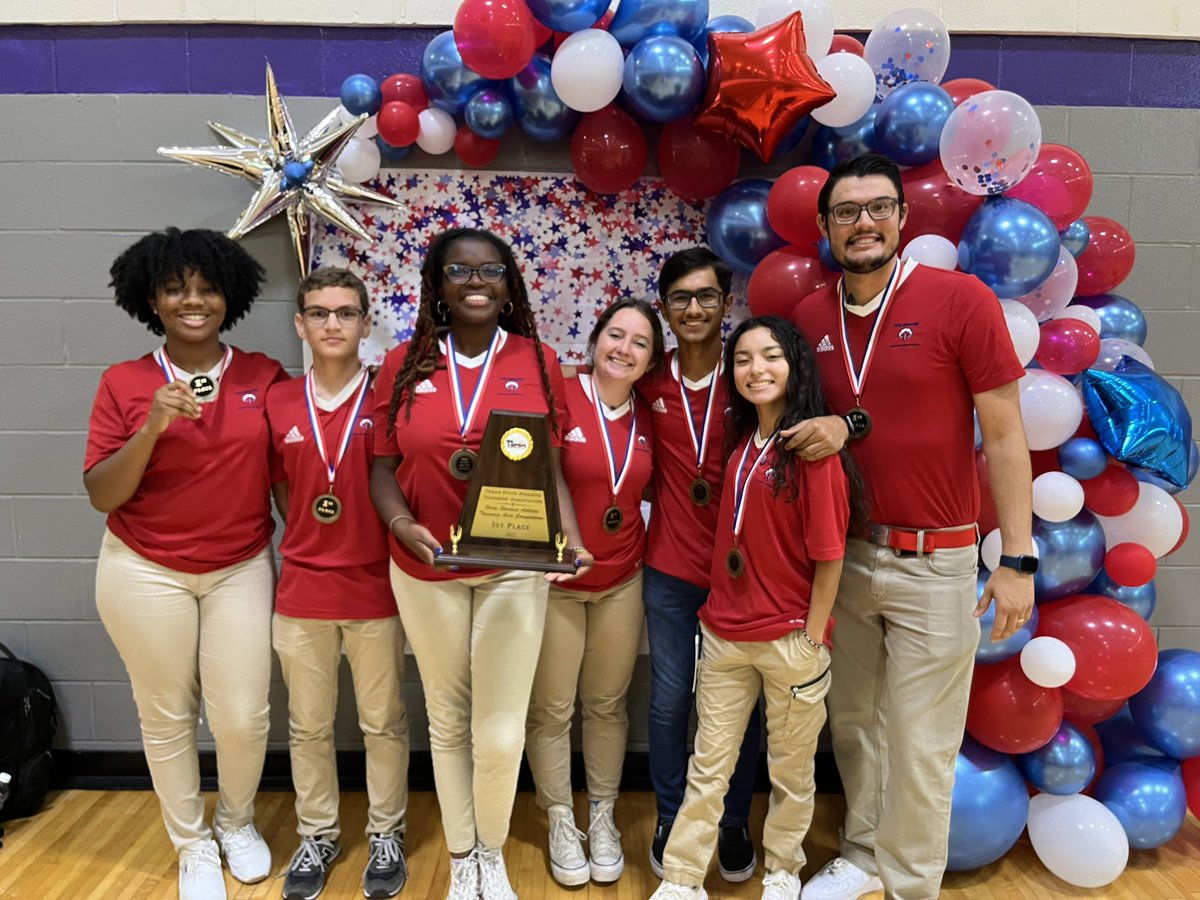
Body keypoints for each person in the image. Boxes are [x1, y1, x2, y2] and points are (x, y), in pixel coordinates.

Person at [788, 154, 1034, 900]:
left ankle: (909, 885)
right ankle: (862, 855)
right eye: (846, 211)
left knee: (924, 742)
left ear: (901, 218)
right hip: (848, 559)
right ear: (825, 226)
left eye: (877, 208)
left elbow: (1006, 437)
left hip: (939, 562)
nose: (863, 223)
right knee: (856, 725)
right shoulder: (807, 318)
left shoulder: (960, 301)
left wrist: (1017, 559)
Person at [369, 227, 590, 900]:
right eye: (459, 271)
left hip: (512, 564)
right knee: (447, 715)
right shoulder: (403, 362)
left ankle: (491, 849)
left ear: (507, 283)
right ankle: (462, 855)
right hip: (425, 565)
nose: (475, 281)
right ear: (436, 283)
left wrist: (570, 539)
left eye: (490, 270)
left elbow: (549, 463)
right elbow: (382, 467)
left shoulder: (538, 358)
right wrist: (402, 525)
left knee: (497, 730)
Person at [84, 228, 286, 900]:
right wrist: (152, 427)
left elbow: (295, 477)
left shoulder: (263, 376)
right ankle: (192, 845)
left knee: (241, 714)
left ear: (231, 296)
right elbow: (102, 493)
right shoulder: (125, 381)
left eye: (206, 288)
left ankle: (234, 820)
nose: (192, 301)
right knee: (166, 713)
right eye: (176, 288)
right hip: (143, 568)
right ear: (153, 300)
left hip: (239, 565)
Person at [651, 316, 859, 900]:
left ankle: (784, 869)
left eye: (770, 356)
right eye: (742, 359)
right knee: (708, 764)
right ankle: (684, 877)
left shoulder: (812, 452)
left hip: (791, 638)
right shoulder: (742, 445)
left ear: (795, 365)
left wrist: (814, 637)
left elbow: (830, 556)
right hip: (723, 635)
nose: (755, 369)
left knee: (791, 773)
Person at [265, 268, 410, 900]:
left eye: (346, 313)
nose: (332, 324)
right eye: (319, 313)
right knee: (308, 726)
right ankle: (317, 834)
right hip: (302, 591)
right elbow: (281, 490)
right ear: (300, 324)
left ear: (365, 323)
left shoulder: (391, 396)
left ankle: (387, 831)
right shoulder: (278, 400)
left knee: (383, 722)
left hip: (377, 589)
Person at [525, 298, 664, 887]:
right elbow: (539, 471)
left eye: (639, 343)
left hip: (621, 580)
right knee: (552, 709)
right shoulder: (559, 392)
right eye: (615, 334)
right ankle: (560, 816)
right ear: (594, 340)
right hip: (557, 581)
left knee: (607, 705)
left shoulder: (649, 416)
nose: (624, 349)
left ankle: (602, 813)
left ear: (650, 360)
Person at [636, 248, 762, 881]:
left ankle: (733, 817)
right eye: (680, 298)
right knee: (667, 701)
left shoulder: (750, 376)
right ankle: (670, 814)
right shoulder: (647, 380)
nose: (693, 308)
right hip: (668, 572)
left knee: (739, 704)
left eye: (706, 296)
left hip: (744, 575)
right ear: (664, 307)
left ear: (725, 303)